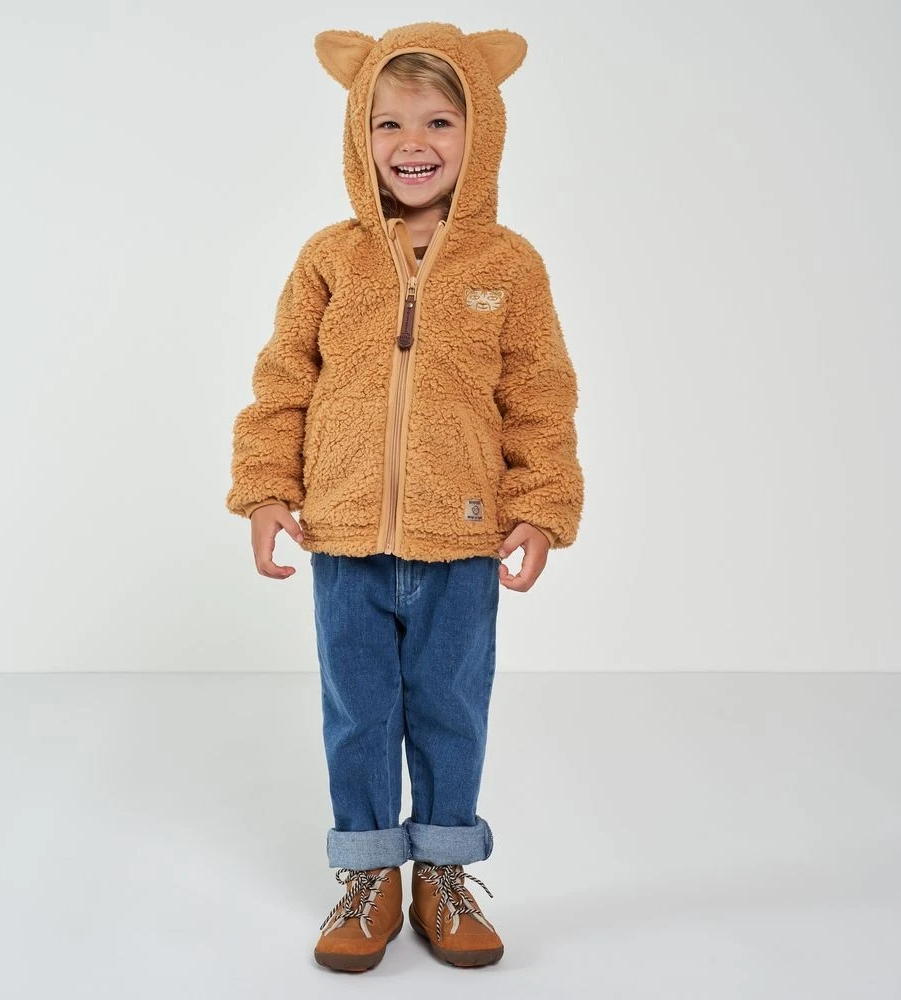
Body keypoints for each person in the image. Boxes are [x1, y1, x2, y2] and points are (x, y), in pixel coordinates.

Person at [225, 22, 584, 973]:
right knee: (358, 713)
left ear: (481, 131)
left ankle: (445, 874)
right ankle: (369, 874)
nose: (412, 142)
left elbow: (540, 395)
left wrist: (541, 505)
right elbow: (283, 381)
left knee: (450, 709)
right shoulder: (330, 258)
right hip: (344, 536)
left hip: (461, 539)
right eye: (388, 123)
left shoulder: (508, 266)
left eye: (438, 121)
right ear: (359, 134)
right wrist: (266, 489)